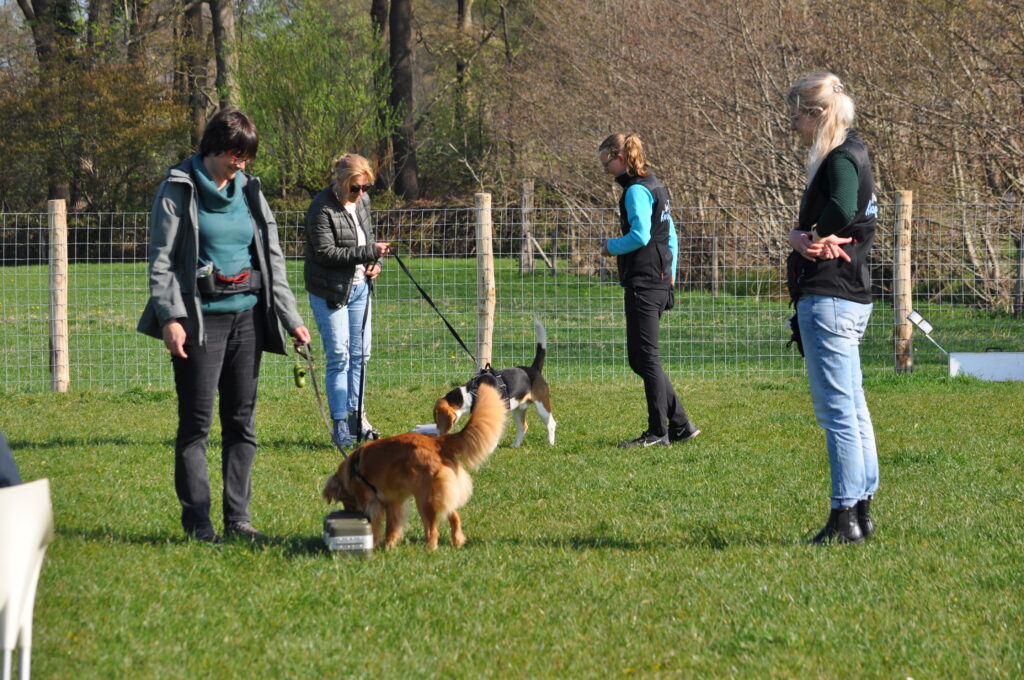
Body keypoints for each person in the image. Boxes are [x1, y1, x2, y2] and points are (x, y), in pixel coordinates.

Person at [138, 107, 311, 543]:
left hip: (247, 318)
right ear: (215, 147)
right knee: (196, 426)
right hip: (199, 322)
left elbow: (272, 258)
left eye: (247, 156)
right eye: (237, 154)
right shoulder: (178, 187)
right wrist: (170, 317)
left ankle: (239, 520)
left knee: (241, 422)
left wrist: (291, 319)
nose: (242, 163)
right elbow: (161, 260)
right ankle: (198, 523)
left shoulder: (250, 190)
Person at [785, 72, 879, 544]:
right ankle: (862, 510)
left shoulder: (840, 156)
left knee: (838, 413)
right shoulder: (857, 150)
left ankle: (844, 519)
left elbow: (841, 207)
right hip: (851, 294)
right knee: (854, 409)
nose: (794, 124)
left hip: (830, 297)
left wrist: (811, 236)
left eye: (797, 115)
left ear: (816, 114)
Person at [598, 133, 700, 448]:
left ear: (621, 158)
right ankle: (680, 425)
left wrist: (611, 246)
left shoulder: (636, 191)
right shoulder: (656, 186)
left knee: (647, 359)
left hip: (644, 280)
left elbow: (641, 236)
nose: (605, 169)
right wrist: (671, 274)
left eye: (606, 162)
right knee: (640, 359)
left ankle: (658, 432)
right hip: (658, 278)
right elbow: (671, 236)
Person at [303, 154, 390, 451]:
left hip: (360, 288)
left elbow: (368, 239)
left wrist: (375, 262)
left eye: (366, 188)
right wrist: (369, 252)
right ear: (340, 182)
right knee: (339, 356)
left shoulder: (362, 202)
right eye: (355, 188)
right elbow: (326, 253)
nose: (361, 193)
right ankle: (340, 423)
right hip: (330, 291)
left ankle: (358, 418)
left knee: (361, 355)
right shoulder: (321, 208)